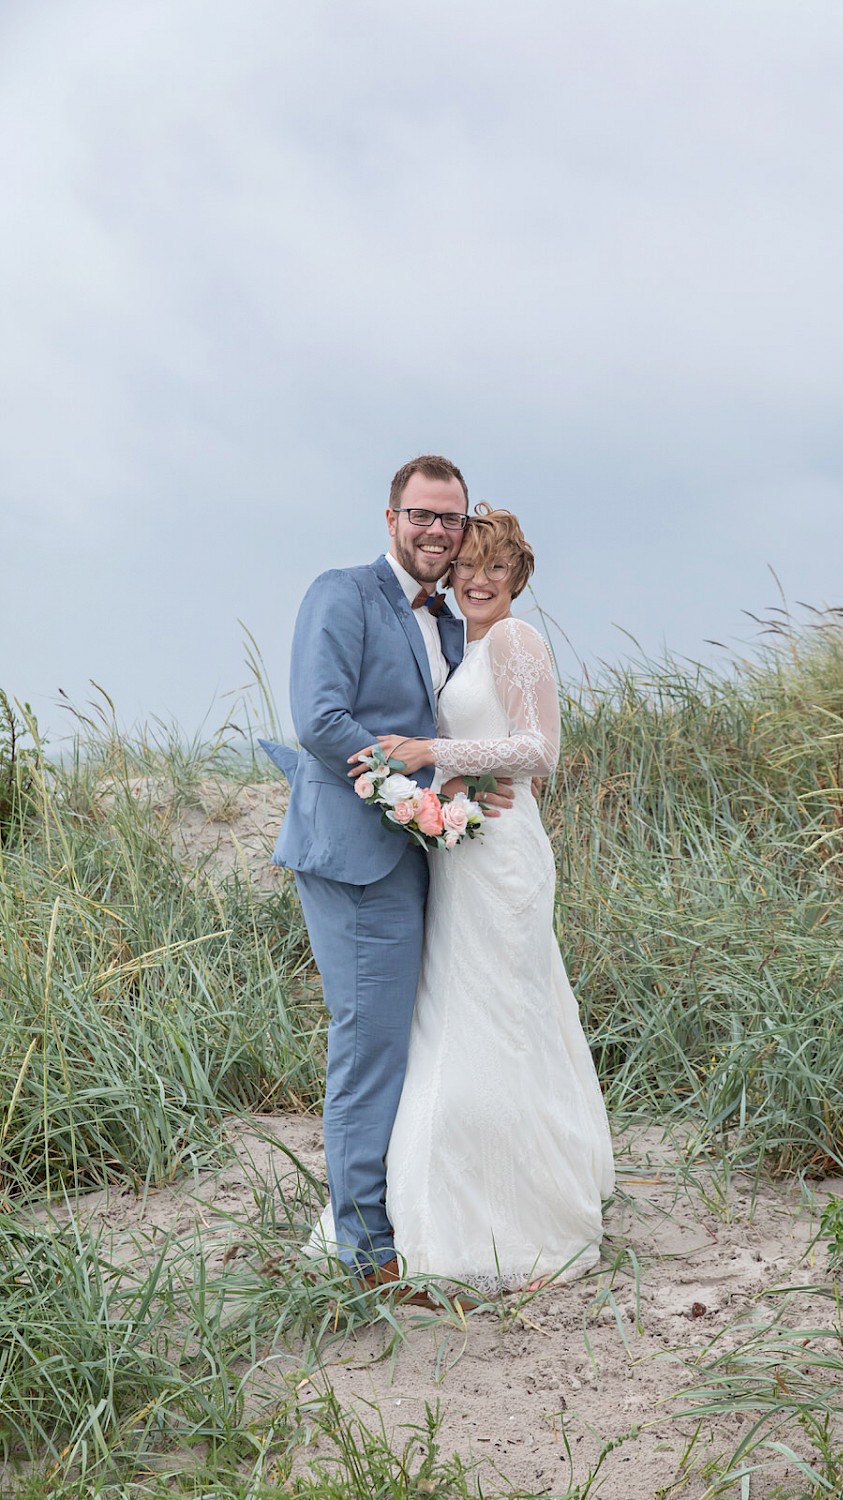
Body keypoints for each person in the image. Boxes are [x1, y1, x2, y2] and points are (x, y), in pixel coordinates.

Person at [347, 506, 615, 1293]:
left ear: (517, 576)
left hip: (504, 854)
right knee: (468, 1013)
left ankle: (524, 1215)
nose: (476, 582)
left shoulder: (517, 639)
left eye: (493, 570)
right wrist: (449, 783)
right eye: (465, 569)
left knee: (506, 1015)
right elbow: (493, 742)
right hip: (465, 848)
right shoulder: (470, 647)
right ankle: (456, 1195)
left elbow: (541, 750)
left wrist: (436, 752)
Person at [263, 455, 512, 1286]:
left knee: (410, 1041)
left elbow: (443, 725)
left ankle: (400, 1210)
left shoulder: (447, 622)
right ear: (390, 517)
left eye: (451, 518)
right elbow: (321, 719)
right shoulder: (342, 593)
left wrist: (469, 783)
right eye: (422, 515)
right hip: (358, 853)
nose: (437, 531)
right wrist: (410, 795)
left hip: (425, 855)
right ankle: (364, 1253)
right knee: (368, 1045)